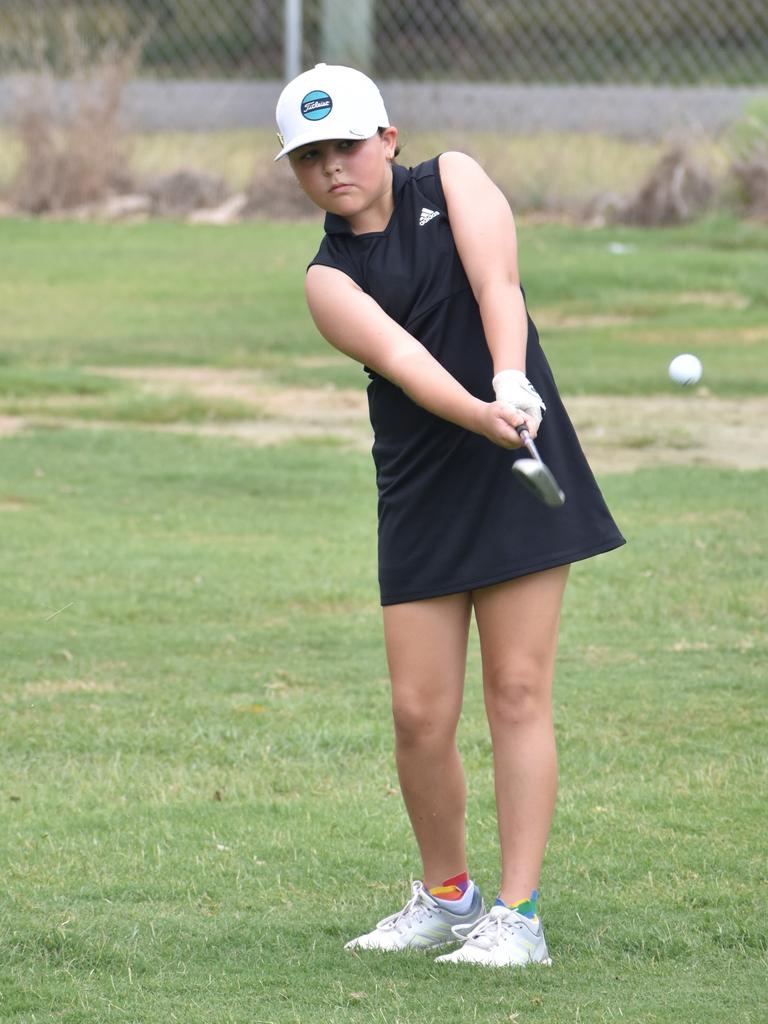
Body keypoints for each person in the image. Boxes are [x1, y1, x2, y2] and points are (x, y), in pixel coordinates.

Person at [274, 64, 625, 967]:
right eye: (310, 157)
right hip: (426, 485)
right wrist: (481, 413)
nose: (333, 167)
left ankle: (518, 914)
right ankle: (446, 894)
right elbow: (404, 360)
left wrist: (511, 382)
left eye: (346, 145)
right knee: (419, 714)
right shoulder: (327, 278)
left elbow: (497, 283)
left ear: (387, 138)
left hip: (521, 470)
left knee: (517, 690)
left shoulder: (454, 179)